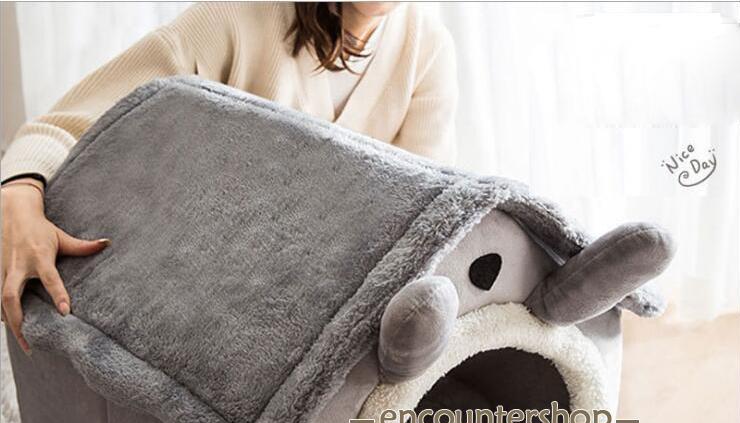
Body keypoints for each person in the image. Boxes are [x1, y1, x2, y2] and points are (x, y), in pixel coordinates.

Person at [1, 1, 457, 353]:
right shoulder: (235, 15)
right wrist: (18, 193)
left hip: (323, 312)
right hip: (212, 304)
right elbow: (68, 124)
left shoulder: (428, 49)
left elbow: (417, 220)